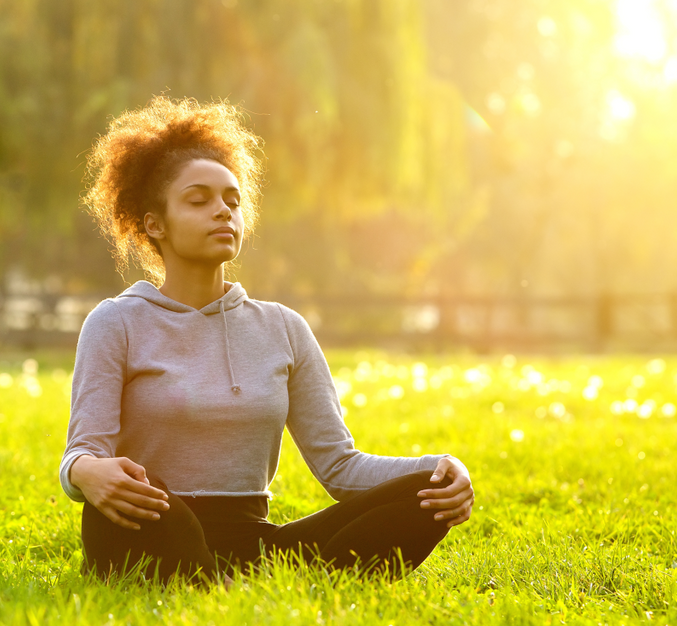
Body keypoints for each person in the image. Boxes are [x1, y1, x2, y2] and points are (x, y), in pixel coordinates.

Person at [59, 96, 474, 584]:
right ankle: (214, 581)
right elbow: (82, 452)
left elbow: (340, 466)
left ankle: (220, 581)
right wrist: (87, 473)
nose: (222, 212)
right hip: (151, 522)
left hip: (253, 542)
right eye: (199, 200)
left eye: (232, 201)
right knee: (154, 515)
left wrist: (441, 468)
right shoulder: (116, 322)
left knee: (427, 493)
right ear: (155, 223)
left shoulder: (283, 328)